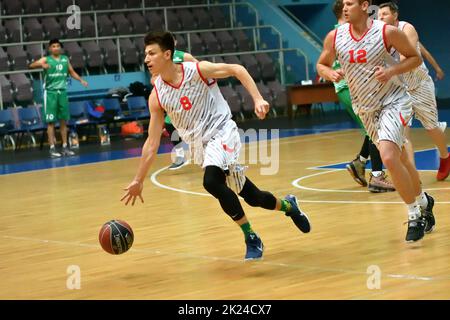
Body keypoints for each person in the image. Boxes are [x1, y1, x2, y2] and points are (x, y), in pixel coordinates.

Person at [121, 31, 311, 260]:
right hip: (200, 146)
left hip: (222, 131)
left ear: (168, 54)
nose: (146, 59)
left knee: (211, 181)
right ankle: (289, 206)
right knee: (253, 196)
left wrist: (258, 99)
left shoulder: (197, 70)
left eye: (152, 53)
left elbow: (237, 70)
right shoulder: (157, 96)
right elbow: (151, 143)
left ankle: (251, 236)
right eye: (145, 54)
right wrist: (138, 180)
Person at [317, 0, 435, 242]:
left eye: (350, 3)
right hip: (366, 108)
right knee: (400, 158)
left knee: (389, 157)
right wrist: (328, 73)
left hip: (393, 100)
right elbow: (321, 64)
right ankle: (424, 201)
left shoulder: (386, 32)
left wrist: (392, 71)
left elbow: (414, 58)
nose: (345, 8)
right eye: (343, 4)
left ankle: (414, 215)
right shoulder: (335, 36)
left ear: (364, 5)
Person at [378, 2, 449, 181]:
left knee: (431, 127)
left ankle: (445, 157)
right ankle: (412, 174)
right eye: (378, 16)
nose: (380, 18)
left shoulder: (407, 28)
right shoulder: (379, 35)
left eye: (384, 14)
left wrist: (385, 68)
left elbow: (406, 58)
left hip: (419, 86)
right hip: (399, 90)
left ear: (395, 15)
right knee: (403, 134)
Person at [332, 0, 395, 192]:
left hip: (349, 87)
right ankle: (377, 176)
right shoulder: (347, 31)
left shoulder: (342, 29)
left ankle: (359, 162)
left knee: (373, 129)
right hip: (351, 87)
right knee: (375, 129)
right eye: (347, 5)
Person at [29, 39, 88, 158]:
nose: (56, 48)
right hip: (50, 93)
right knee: (51, 122)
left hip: (62, 93)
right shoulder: (46, 59)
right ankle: (52, 148)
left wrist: (81, 80)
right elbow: (31, 65)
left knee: (63, 121)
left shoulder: (65, 59)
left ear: (60, 48)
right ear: (50, 48)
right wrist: (41, 64)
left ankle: (65, 146)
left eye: (57, 46)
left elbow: (71, 72)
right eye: (53, 46)